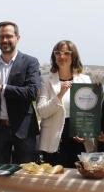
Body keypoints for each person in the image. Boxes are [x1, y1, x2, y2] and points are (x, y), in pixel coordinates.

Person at [0, 21, 41, 164]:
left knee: (25, 173)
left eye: (8, 36)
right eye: (1, 36)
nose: (4, 40)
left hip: (24, 130)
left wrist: (2, 88)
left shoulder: (30, 62)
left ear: (17, 38)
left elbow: (32, 92)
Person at [37, 40, 91, 168]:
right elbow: (42, 111)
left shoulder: (85, 80)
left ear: (74, 56)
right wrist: (60, 94)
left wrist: (85, 133)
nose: (62, 56)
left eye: (67, 53)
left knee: (76, 178)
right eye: (58, 53)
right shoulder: (46, 80)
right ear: (54, 56)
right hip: (53, 140)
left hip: (77, 139)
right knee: (53, 178)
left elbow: (88, 113)